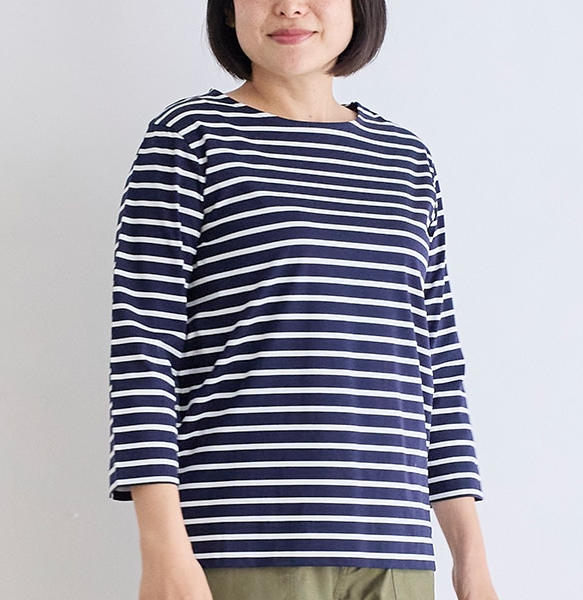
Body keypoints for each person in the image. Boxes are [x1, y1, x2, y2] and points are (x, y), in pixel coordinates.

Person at [109, 1, 499, 599]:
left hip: (396, 553)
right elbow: (142, 351)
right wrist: (162, 553)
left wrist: (472, 563)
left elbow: (437, 365)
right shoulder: (190, 139)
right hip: (241, 548)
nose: (290, 5)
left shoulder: (406, 160)